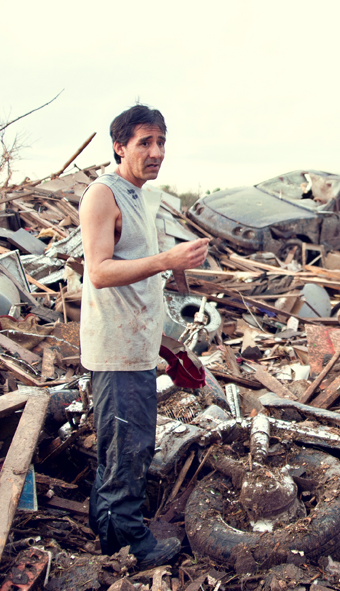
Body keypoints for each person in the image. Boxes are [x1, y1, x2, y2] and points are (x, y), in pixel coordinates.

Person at [79, 104, 210, 567]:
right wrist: (166, 261)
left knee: (125, 445)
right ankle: (127, 545)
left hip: (135, 346)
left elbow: (135, 281)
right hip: (115, 351)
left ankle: (108, 527)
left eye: (161, 143)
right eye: (144, 143)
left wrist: (164, 343)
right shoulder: (103, 195)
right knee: (128, 450)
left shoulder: (138, 195)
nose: (155, 152)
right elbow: (98, 271)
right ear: (119, 146)